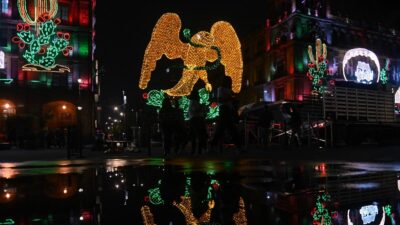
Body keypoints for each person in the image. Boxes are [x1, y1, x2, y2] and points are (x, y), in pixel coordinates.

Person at [188, 90, 207, 155]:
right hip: (196, 120)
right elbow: (196, 110)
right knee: (199, 135)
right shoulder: (194, 102)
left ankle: (195, 150)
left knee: (194, 136)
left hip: (193, 120)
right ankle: (199, 150)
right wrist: (202, 106)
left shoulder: (192, 102)